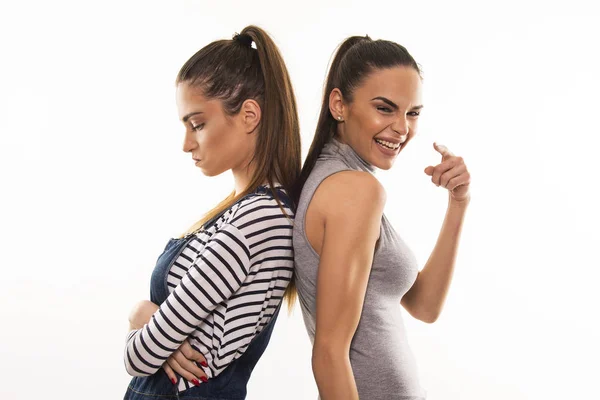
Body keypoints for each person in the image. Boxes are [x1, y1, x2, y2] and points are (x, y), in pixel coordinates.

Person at [123, 25, 301, 399]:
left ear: (250, 115)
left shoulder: (259, 220)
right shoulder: (239, 211)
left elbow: (139, 356)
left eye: (198, 124)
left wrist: (141, 315)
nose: (187, 143)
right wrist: (149, 318)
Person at [292, 35, 471, 400]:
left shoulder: (345, 182)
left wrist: (458, 202)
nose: (403, 128)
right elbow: (328, 353)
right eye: (385, 108)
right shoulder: (354, 190)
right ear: (339, 105)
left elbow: (424, 306)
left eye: (413, 112)